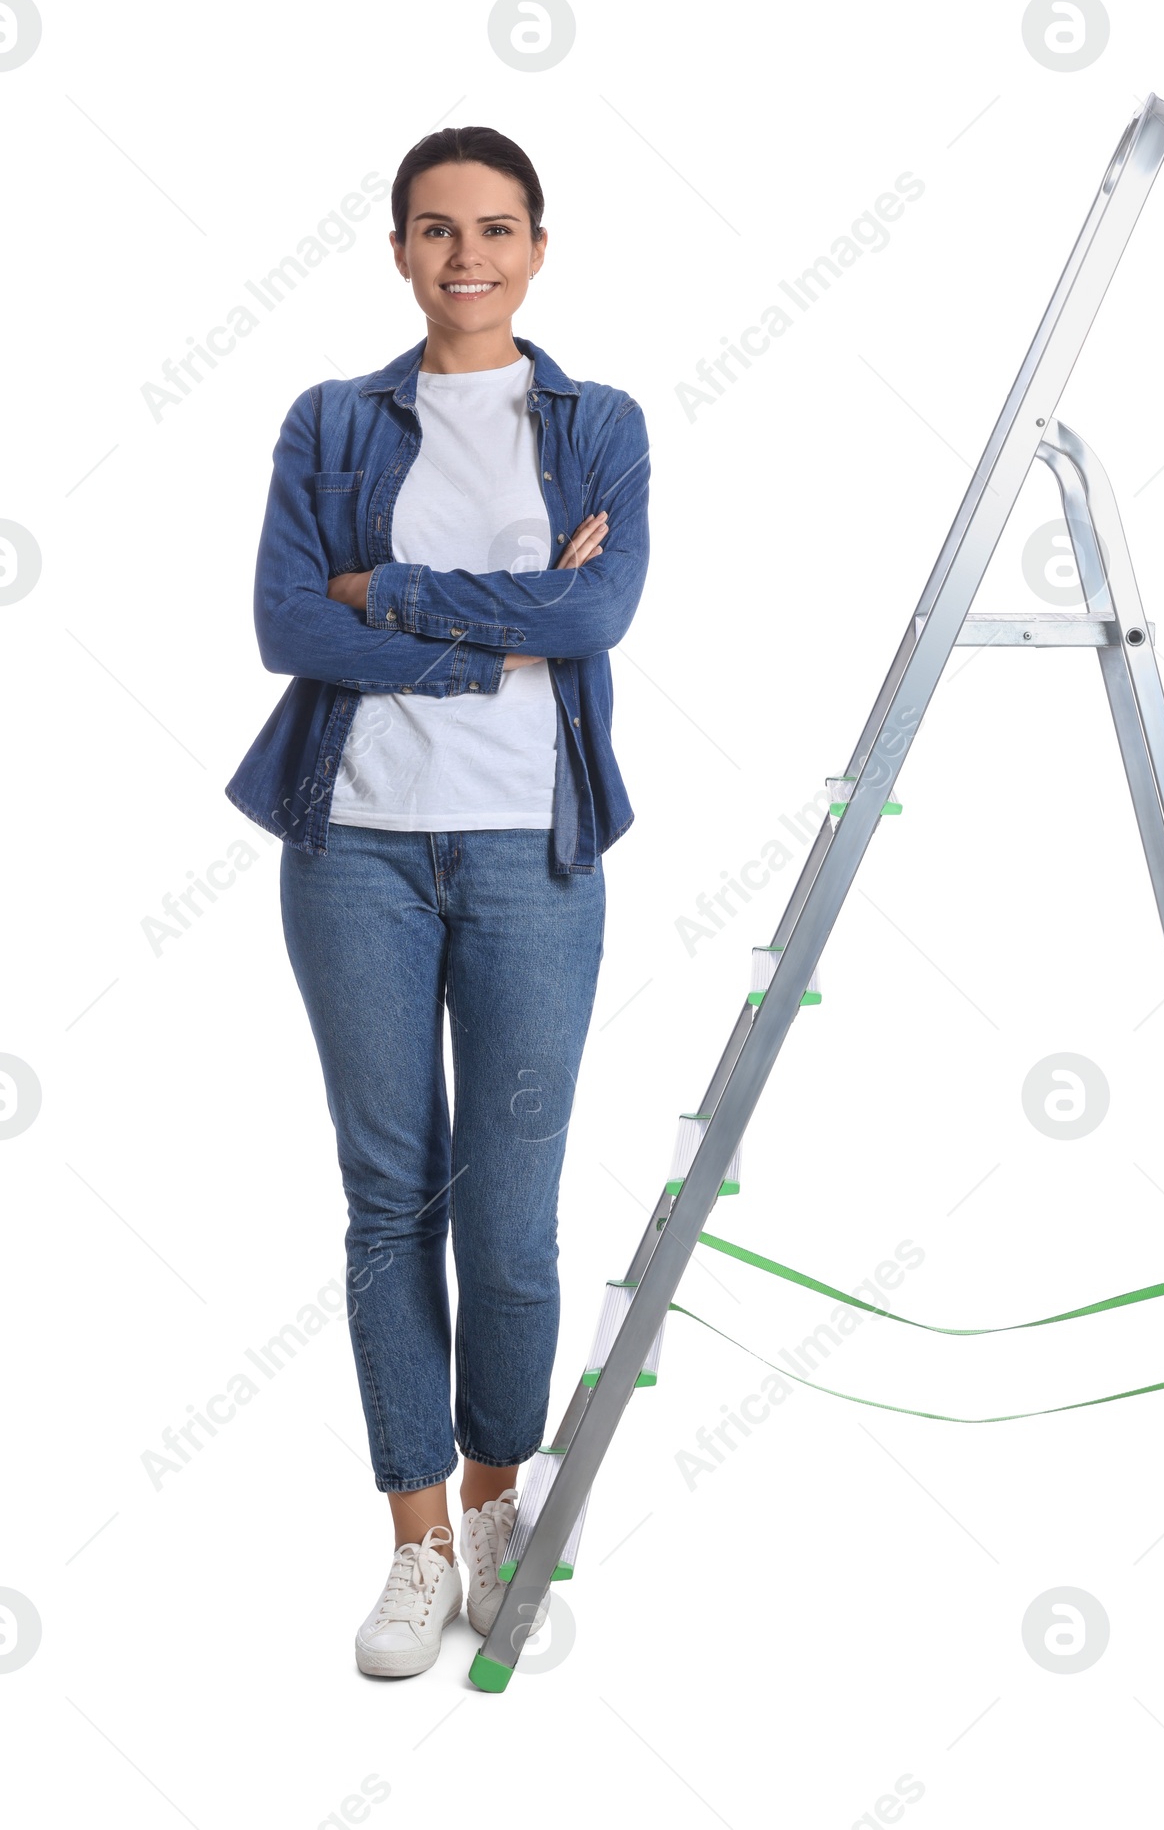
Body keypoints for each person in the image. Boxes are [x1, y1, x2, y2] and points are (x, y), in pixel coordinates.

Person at [225, 125, 650, 1676]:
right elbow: (284, 625)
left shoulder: (598, 421)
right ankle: (412, 1546)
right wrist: (491, 644)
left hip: (534, 852)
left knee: (511, 1214)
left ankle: (496, 1503)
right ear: (398, 251)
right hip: (359, 846)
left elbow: (599, 608)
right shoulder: (334, 422)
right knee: (391, 1196)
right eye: (433, 229)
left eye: (494, 227)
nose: (465, 255)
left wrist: (383, 596)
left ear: (539, 246)